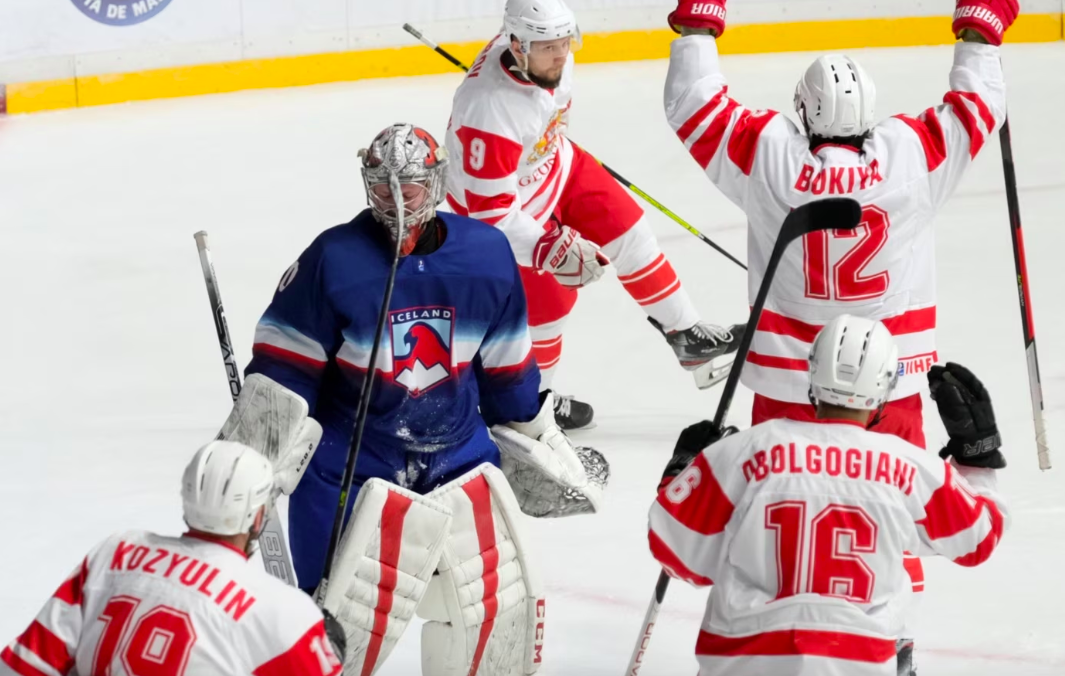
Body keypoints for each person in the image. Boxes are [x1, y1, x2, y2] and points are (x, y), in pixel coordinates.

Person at [218, 123, 604, 676]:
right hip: (351, 465)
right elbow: (287, 368)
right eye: (382, 187)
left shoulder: (485, 255)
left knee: (496, 624)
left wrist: (535, 434)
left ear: (437, 183)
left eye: (411, 187)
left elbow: (507, 371)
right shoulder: (334, 259)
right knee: (332, 637)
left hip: (460, 462)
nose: (396, 201)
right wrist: (255, 452)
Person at [662, 0, 1018, 448]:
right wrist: (979, 26)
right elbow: (980, 105)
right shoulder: (911, 155)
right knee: (900, 492)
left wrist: (699, 21)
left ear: (804, 109)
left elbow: (692, 102)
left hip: (786, 383)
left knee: (776, 488)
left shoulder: (768, 156)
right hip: (889, 385)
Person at [648, 315, 1009, 676]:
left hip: (742, 662)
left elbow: (675, 553)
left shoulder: (745, 451)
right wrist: (977, 458)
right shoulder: (909, 466)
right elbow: (978, 540)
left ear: (812, 373)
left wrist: (681, 469)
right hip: (857, 664)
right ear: (886, 388)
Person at [444, 0, 745, 430]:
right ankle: (536, 405)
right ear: (517, 45)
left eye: (564, 43)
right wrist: (545, 246)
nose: (560, 55)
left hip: (555, 165)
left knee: (629, 230)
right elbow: (491, 215)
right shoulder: (487, 114)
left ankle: (686, 336)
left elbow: (543, 108)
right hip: (512, 209)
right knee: (550, 308)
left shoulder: (544, 58)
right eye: (548, 47)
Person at [0, 441, 346, 676]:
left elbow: (22, 666)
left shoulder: (117, 552)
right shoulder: (284, 611)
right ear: (257, 517)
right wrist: (326, 647)